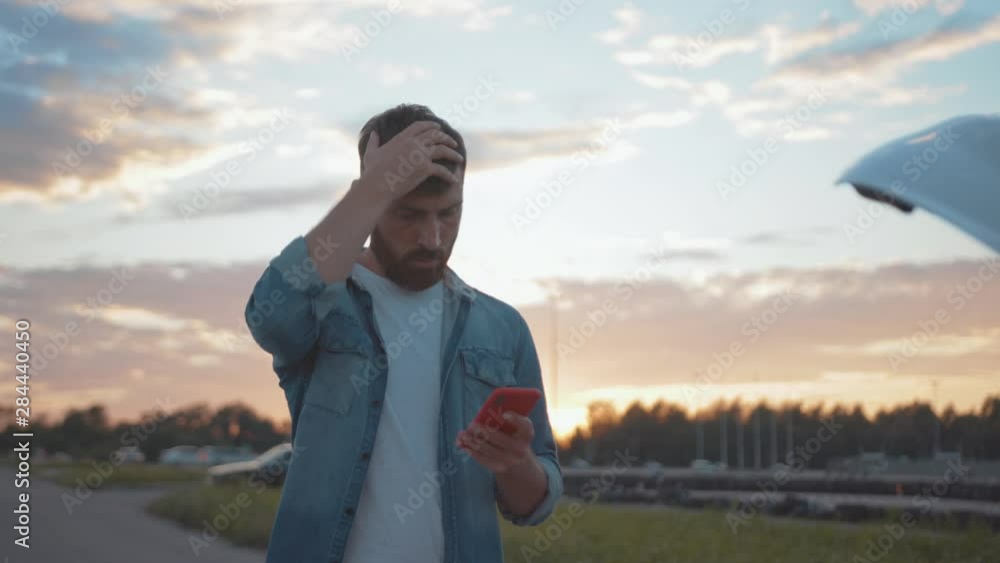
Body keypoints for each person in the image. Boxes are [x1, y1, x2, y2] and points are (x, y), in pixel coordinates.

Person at [244, 103, 563, 563]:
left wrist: (515, 463)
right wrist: (369, 190)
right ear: (372, 205)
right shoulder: (327, 305)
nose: (432, 238)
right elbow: (270, 320)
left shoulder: (502, 328)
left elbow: (536, 504)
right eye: (408, 215)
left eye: (448, 214)